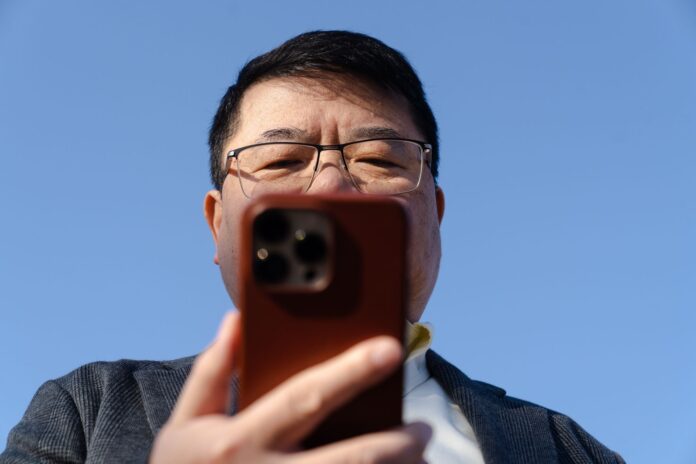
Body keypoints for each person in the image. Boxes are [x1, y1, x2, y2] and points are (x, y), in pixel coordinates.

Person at [1, 31, 623, 464]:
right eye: (280, 161)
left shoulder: (568, 449)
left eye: (379, 159)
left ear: (435, 215)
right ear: (217, 224)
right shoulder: (87, 412)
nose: (331, 188)